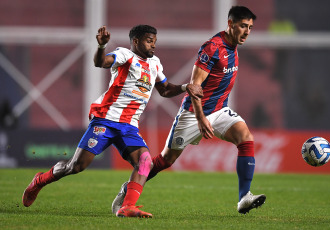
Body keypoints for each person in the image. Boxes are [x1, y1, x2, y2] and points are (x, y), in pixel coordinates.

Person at [22, 25, 203, 218]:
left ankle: (128, 206)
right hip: (106, 120)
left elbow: (165, 89)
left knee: (144, 162)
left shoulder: (155, 63)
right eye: (149, 41)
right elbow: (101, 62)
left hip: (129, 126)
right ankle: (40, 181)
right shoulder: (125, 55)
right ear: (136, 41)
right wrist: (101, 47)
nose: (153, 46)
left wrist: (185, 87)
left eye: (155, 42)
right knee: (75, 166)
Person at [112, 6, 266, 215]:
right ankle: (128, 188)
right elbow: (195, 85)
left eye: (250, 27)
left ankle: (244, 197)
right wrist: (201, 118)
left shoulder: (233, 46)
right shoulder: (212, 48)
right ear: (230, 24)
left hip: (220, 110)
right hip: (194, 113)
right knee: (166, 160)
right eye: (243, 26)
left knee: (246, 138)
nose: (247, 31)